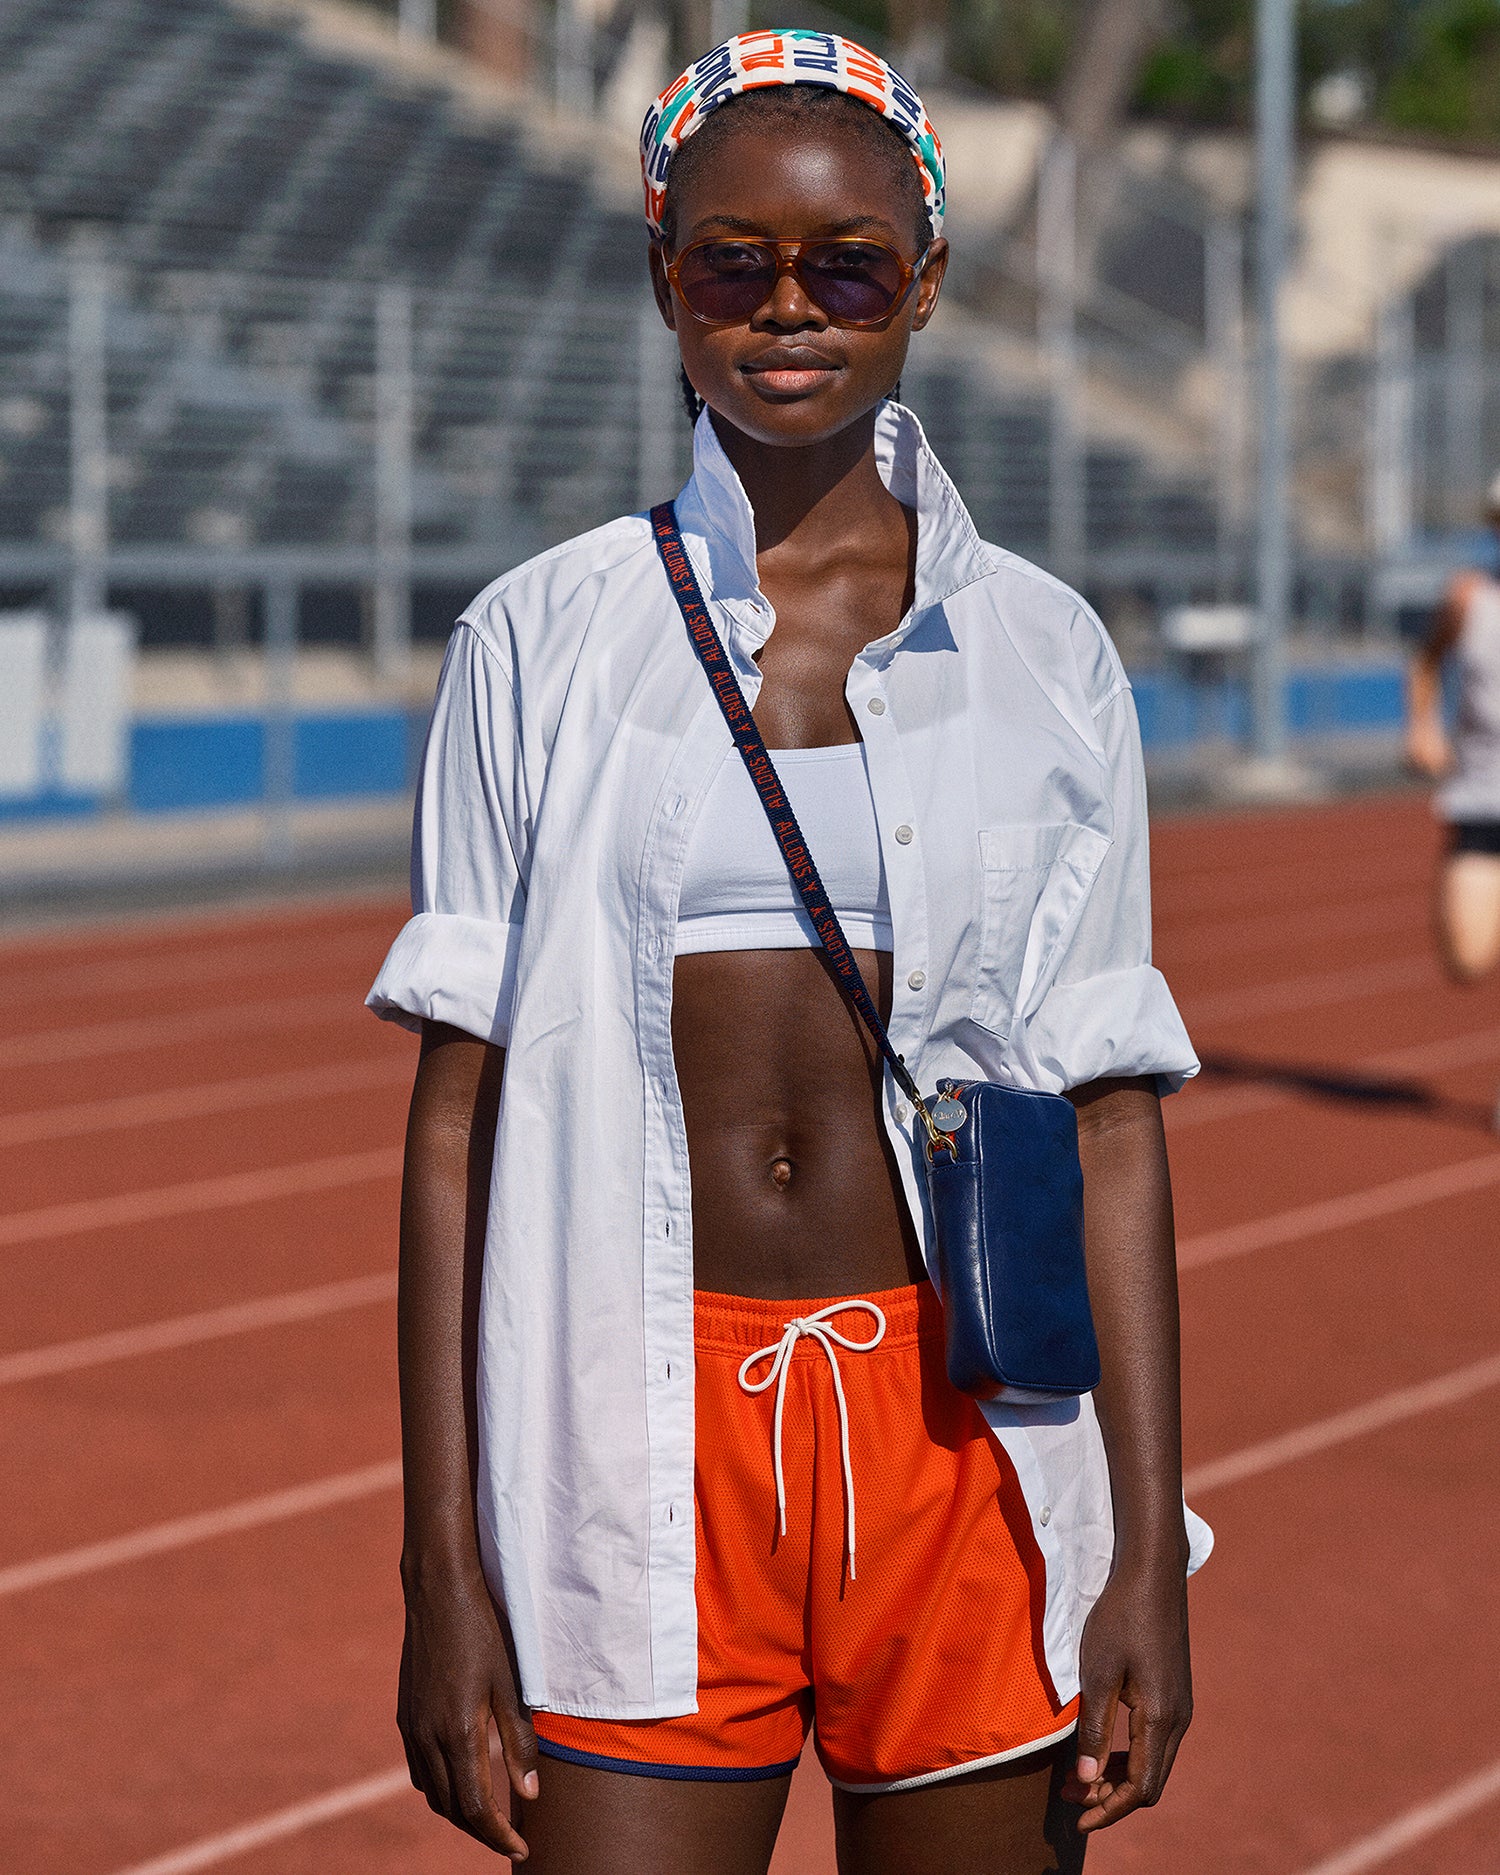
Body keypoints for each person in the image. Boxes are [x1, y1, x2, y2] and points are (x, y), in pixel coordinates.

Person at [368, 30, 1209, 1873]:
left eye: (848, 267)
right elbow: (454, 1124)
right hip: (628, 1430)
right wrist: (443, 1568)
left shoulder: (1047, 653)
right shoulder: (538, 638)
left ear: (927, 281)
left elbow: (1113, 1114)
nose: (786, 309)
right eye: (729, 262)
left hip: (966, 1435)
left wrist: (1146, 1546)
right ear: (662, 274)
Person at [1407, 474, 1500, 1059]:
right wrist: (1422, 726)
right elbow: (1426, 660)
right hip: (1483, 797)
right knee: (1467, 958)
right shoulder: (1469, 597)